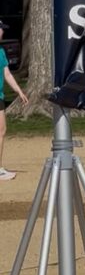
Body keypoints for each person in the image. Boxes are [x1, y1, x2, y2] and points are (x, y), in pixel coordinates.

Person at [0, 23, 29, 181]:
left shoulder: (1, 52)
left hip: (0, 96)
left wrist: (19, 90)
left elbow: (7, 74)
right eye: (1, 28)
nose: (3, 31)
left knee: (2, 131)